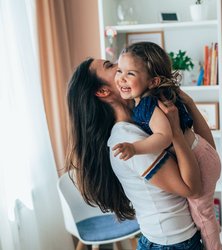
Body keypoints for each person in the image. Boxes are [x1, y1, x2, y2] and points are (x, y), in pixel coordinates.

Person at [65, 58, 205, 249]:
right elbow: (192, 188)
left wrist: (189, 104)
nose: (120, 66)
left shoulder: (143, 123)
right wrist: (176, 132)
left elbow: (206, 151)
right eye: (110, 66)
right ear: (103, 92)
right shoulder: (128, 140)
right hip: (172, 243)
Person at [112, 42, 222, 250]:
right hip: (203, 150)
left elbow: (164, 135)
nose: (121, 78)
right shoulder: (158, 96)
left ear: (152, 81)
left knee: (203, 214)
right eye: (119, 70)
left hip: (199, 158)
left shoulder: (149, 105)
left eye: (130, 74)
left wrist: (135, 148)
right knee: (202, 212)